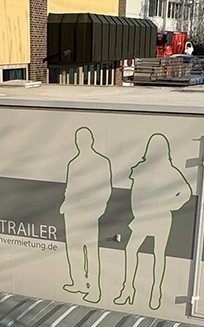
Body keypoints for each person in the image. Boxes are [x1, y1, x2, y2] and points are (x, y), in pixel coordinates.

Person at [114, 133, 192, 311]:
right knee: (143, 252)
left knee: (149, 253)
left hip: (157, 217)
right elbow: (185, 192)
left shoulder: (161, 169)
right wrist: (173, 204)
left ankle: (149, 291)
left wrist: (172, 205)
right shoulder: (163, 169)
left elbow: (186, 192)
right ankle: (133, 290)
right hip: (147, 217)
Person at [60, 127, 113, 304]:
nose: (80, 143)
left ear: (90, 141)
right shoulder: (73, 163)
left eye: (82, 139)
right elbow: (70, 187)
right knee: (73, 250)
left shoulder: (101, 162)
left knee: (90, 252)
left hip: (89, 213)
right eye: (78, 140)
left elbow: (106, 188)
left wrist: (100, 209)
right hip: (71, 212)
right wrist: (65, 205)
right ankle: (78, 283)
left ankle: (95, 290)